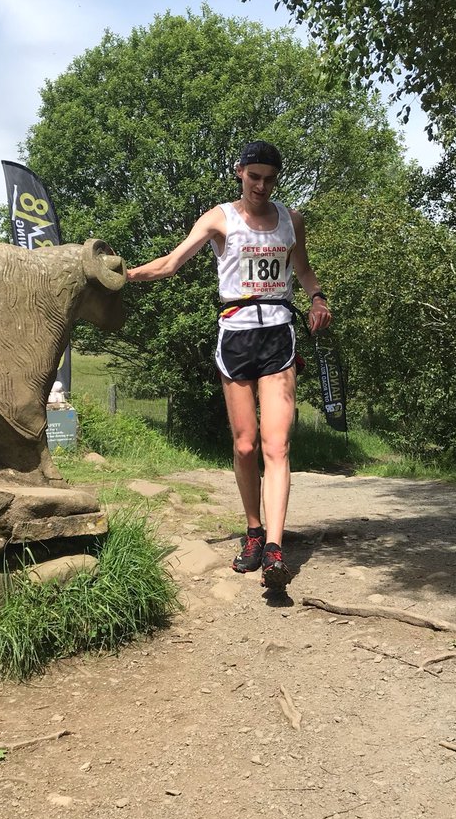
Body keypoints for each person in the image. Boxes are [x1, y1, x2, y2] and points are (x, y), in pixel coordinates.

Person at [126, 140, 332, 589]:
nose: (261, 185)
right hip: (236, 336)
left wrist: (316, 298)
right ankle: (253, 531)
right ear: (239, 172)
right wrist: (125, 275)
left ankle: (276, 551)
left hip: (279, 333)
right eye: (254, 176)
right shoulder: (219, 218)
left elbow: (303, 271)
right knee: (245, 446)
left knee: (276, 447)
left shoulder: (290, 220)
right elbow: (171, 263)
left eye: (270, 178)